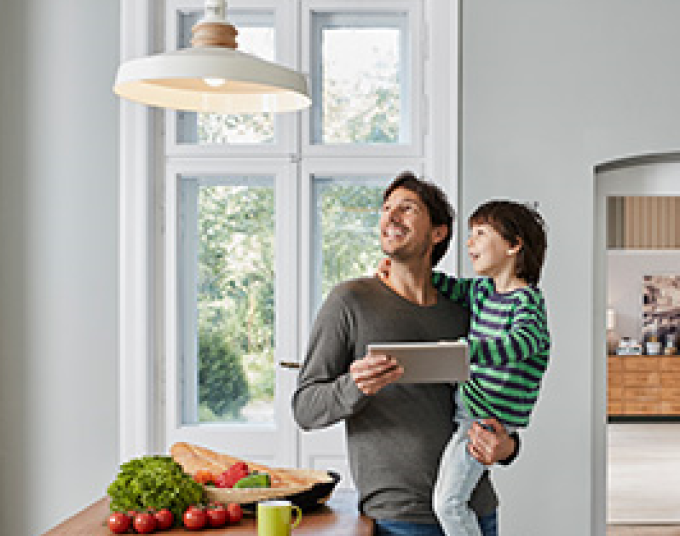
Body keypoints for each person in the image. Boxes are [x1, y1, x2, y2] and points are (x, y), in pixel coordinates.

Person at [292, 172, 519, 536]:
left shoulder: (466, 310)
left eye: (407, 208)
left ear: (438, 232)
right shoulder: (349, 301)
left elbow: (502, 393)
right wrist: (355, 385)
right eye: (385, 209)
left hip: (475, 513)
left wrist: (508, 446)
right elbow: (306, 408)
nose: (390, 217)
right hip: (397, 518)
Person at [428, 200, 550, 536]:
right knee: (449, 501)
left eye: (480, 234)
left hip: (484, 419)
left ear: (513, 245)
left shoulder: (527, 302)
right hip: (473, 408)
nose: (469, 243)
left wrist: (467, 353)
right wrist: (418, 274)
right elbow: (449, 286)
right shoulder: (483, 291)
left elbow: (521, 343)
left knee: (448, 504)